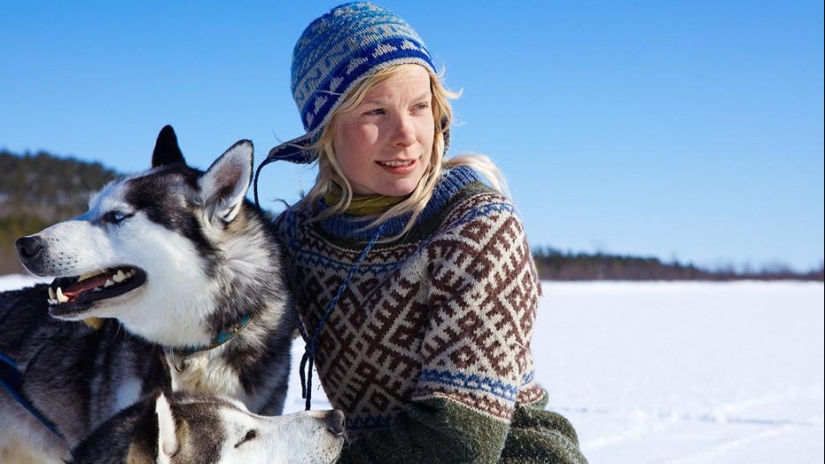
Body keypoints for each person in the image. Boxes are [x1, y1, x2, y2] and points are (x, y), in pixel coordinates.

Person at [256, 2, 587, 463]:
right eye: (376, 111)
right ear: (325, 130)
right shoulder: (298, 237)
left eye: (419, 107)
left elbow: (457, 443)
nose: (406, 134)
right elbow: (222, 327)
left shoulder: (476, 228)